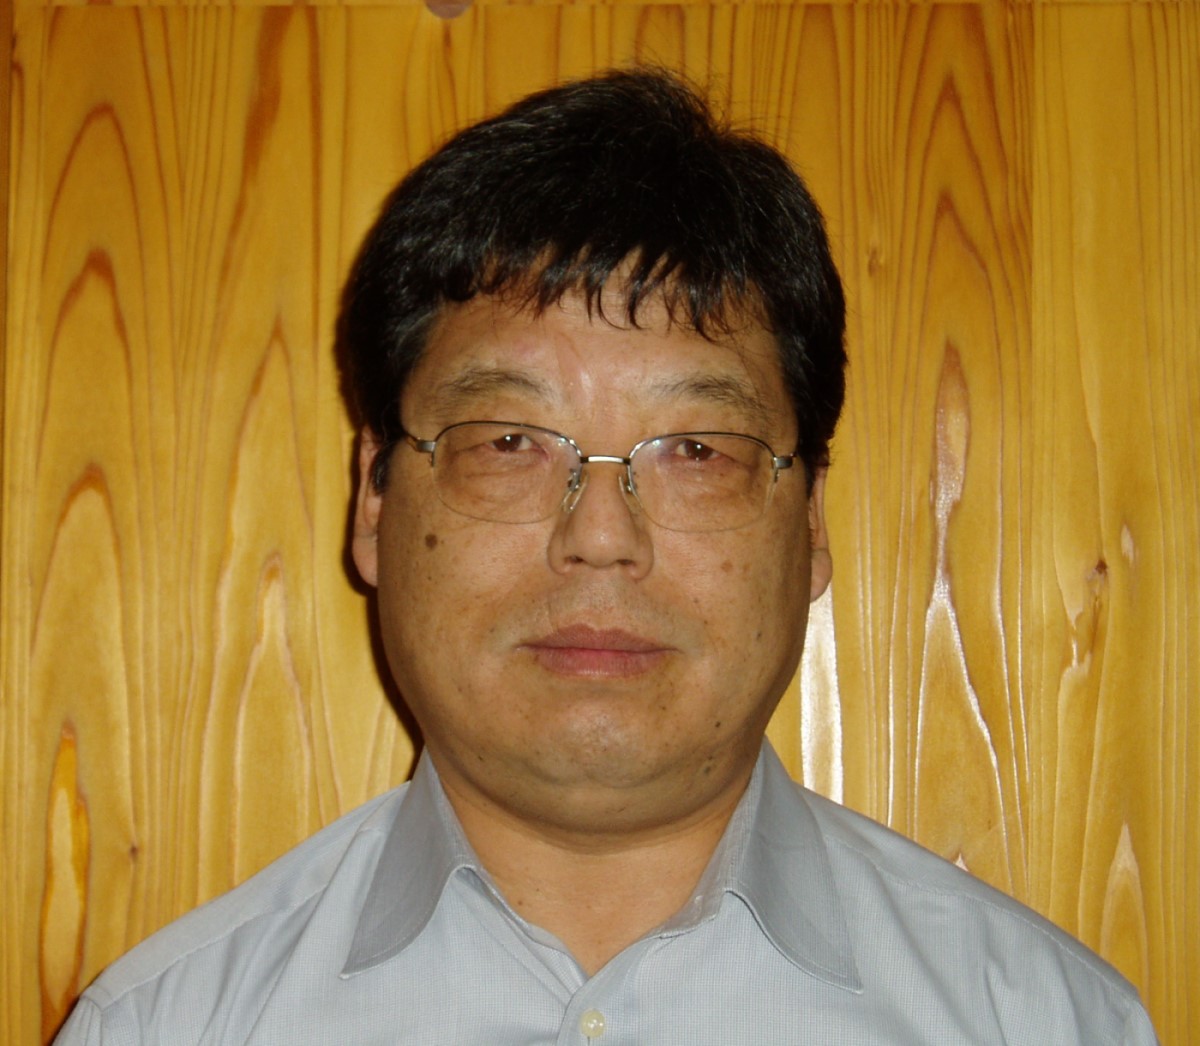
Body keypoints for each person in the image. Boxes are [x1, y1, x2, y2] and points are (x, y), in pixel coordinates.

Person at [55, 68, 1156, 1045]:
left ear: (812, 521)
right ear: (374, 497)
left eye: (696, 450)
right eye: (508, 442)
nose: (598, 537)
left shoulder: (1043, 1022)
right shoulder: (165, 1026)